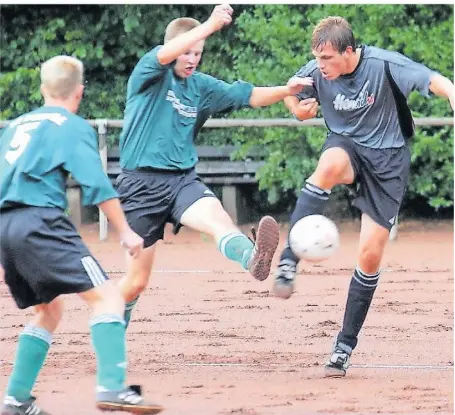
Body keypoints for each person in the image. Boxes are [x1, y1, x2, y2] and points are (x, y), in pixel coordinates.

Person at [272, 16, 454, 377]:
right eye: (317, 58)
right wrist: (297, 109)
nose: (320, 66)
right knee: (327, 166)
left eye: (327, 59)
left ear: (349, 52)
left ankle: (343, 346)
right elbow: (292, 95)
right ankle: (289, 260)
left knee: (370, 257)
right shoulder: (316, 71)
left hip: (387, 162)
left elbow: (433, 80)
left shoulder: (383, 64)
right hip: (348, 146)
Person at [116, 4, 314, 327]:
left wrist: (287, 91)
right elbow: (168, 53)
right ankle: (112, 335)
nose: (193, 59)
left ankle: (252, 259)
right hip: (140, 185)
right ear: (173, 49)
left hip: (182, 181)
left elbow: (247, 95)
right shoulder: (149, 73)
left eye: (199, 53)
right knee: (135, 282)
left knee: (219, 218)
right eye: (187, 52)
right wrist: (208, 25)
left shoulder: (201, 87)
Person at [0, 56, 163, 414]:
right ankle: (112, 387)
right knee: (108, 299)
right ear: (80, 92)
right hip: (41, 222)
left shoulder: (14, 127)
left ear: (43, 89)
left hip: (6, 227)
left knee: (49, 309)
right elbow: (97, 185)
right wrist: (126, 232)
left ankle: (16, 399)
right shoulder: (71, 126)